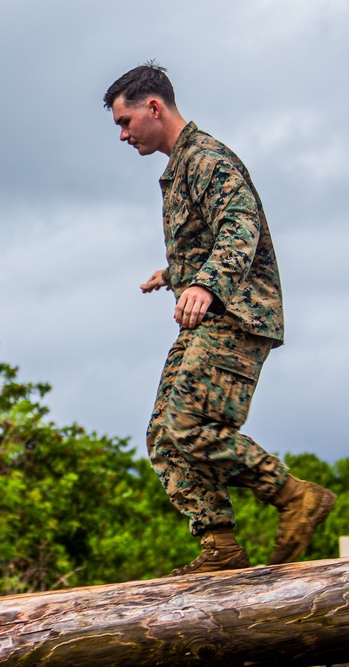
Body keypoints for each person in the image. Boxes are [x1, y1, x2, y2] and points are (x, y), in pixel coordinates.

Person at [103, 62, 336, 576]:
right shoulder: (182, 164)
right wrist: (175, 273)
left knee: (190, 423)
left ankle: (296, 497)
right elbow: (212, 236)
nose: (122, 135)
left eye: (125, 121)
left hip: (239, 313)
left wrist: (206, 284)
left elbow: (240, 225)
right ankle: (220, 546)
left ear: (154, 107)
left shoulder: (207, 158)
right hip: (213, 314)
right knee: (164, 435)